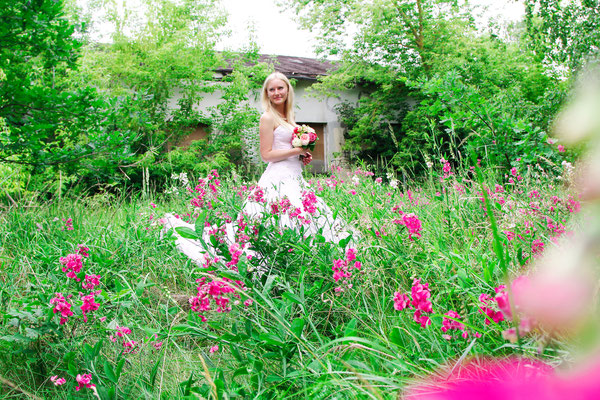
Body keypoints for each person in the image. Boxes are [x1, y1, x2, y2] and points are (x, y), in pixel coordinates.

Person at [164, 72, 351, 267]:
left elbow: (286, 148)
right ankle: (275, 258)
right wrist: (297, 150)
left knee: (302, 215)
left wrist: (301, 155)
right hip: (278, 178)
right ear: (267, 93)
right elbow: (267, 154)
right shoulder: (268, 117)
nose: (277, 93)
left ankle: (301, 258)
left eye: (280, 88)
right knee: (278, 217)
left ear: (288, 89)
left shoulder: (288, 116)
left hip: (295, 176)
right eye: (272, 90)